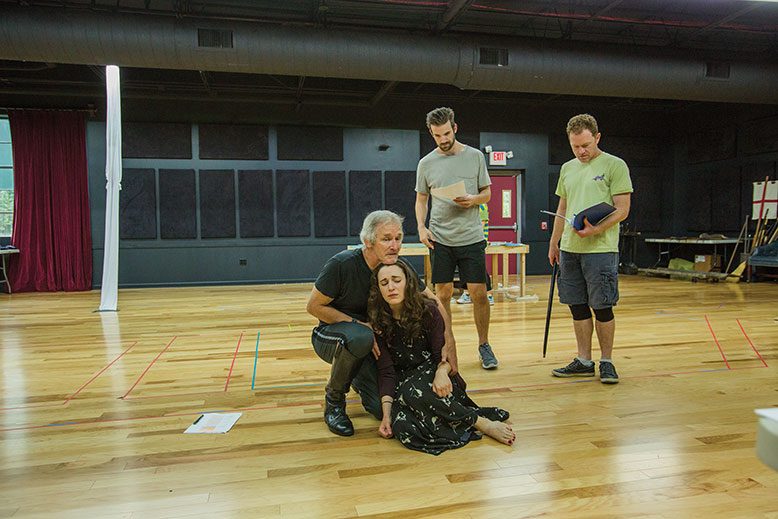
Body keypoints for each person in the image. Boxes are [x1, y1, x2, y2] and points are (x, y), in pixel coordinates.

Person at [306, 210, 456, 437]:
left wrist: (449, 341)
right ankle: (334, 401)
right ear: (367, 241)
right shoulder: (341, 264)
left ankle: (355, 373)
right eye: (386, 239)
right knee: (361, 337)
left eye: (398, 238)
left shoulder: (399, 267)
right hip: (331, 336)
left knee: (380, 408)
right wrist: (357, 323)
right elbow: (314, 307)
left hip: (370, 343)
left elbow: (434, 301)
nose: (394, 245)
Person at [368, 261, 514, 455]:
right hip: (404, 382)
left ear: (408, 283)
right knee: (404, 428)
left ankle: (482, 423)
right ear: (378, 289)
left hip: (434, 373)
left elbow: (441, 356)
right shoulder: (377, 320)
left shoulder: (428, 311)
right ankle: (461, 420)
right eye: (384, 283)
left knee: (413, 392)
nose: (391, 287)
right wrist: (386, 416)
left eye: (396, 280)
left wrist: (442, 371)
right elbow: (386, 371)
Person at [547, 114, 633, 384]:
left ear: (597, 137)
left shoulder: (615, 166)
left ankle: (606, 361)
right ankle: (584, 360)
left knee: (603, 307)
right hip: (570, 249)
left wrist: (596, 229)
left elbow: (623, 209)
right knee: (577, 306)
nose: (581, 151)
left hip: (601, 250)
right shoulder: (567, 168)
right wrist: (554, 241)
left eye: (585, 145)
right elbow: (562, 207)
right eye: (575, 147)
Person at [415, 107, 498, 370]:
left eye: (447, 133)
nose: (443, 139)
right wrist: (420, 226)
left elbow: (487, 193)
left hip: (471, 237)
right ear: (431, 133)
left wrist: (474, 199)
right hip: (440, 237)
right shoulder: (426, 163)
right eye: (438, 135)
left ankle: (484, 344)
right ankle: (446, 345)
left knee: (479, 293)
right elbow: (421, 199)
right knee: (442, 294)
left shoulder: (474, 157)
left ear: (455, 128)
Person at [457, 203, 494, 306]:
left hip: (476, 241)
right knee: (464, 266)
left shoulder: (481, 205)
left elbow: (481, 224)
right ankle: (467, 293)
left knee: (479, 268)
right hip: (465, 241)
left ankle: (488, 295)